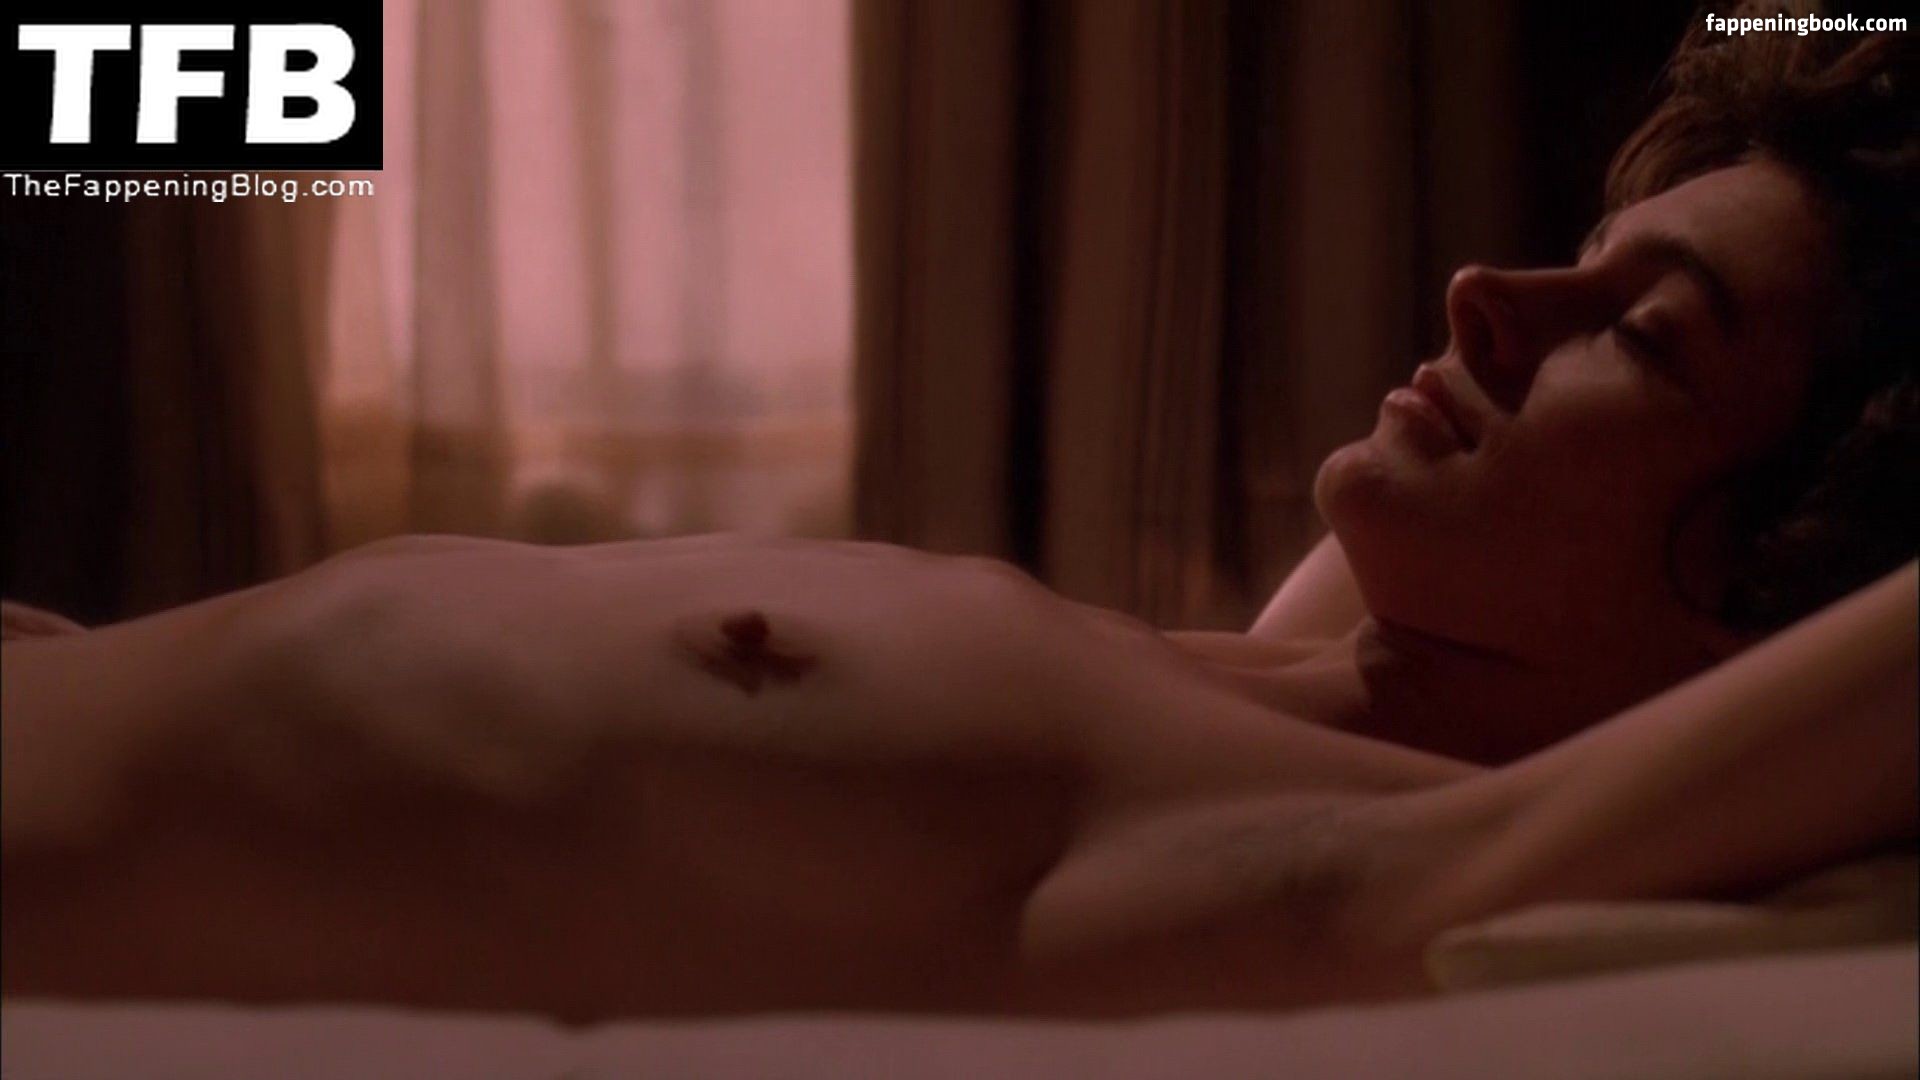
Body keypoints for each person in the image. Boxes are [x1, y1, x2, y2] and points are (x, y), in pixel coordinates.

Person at [3, 8, 1915, 1019]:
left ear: (1780, 596)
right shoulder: (1295, 665)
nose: (1490, 293)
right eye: (1590, 254)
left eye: (1642, 336)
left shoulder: (1340, 856)